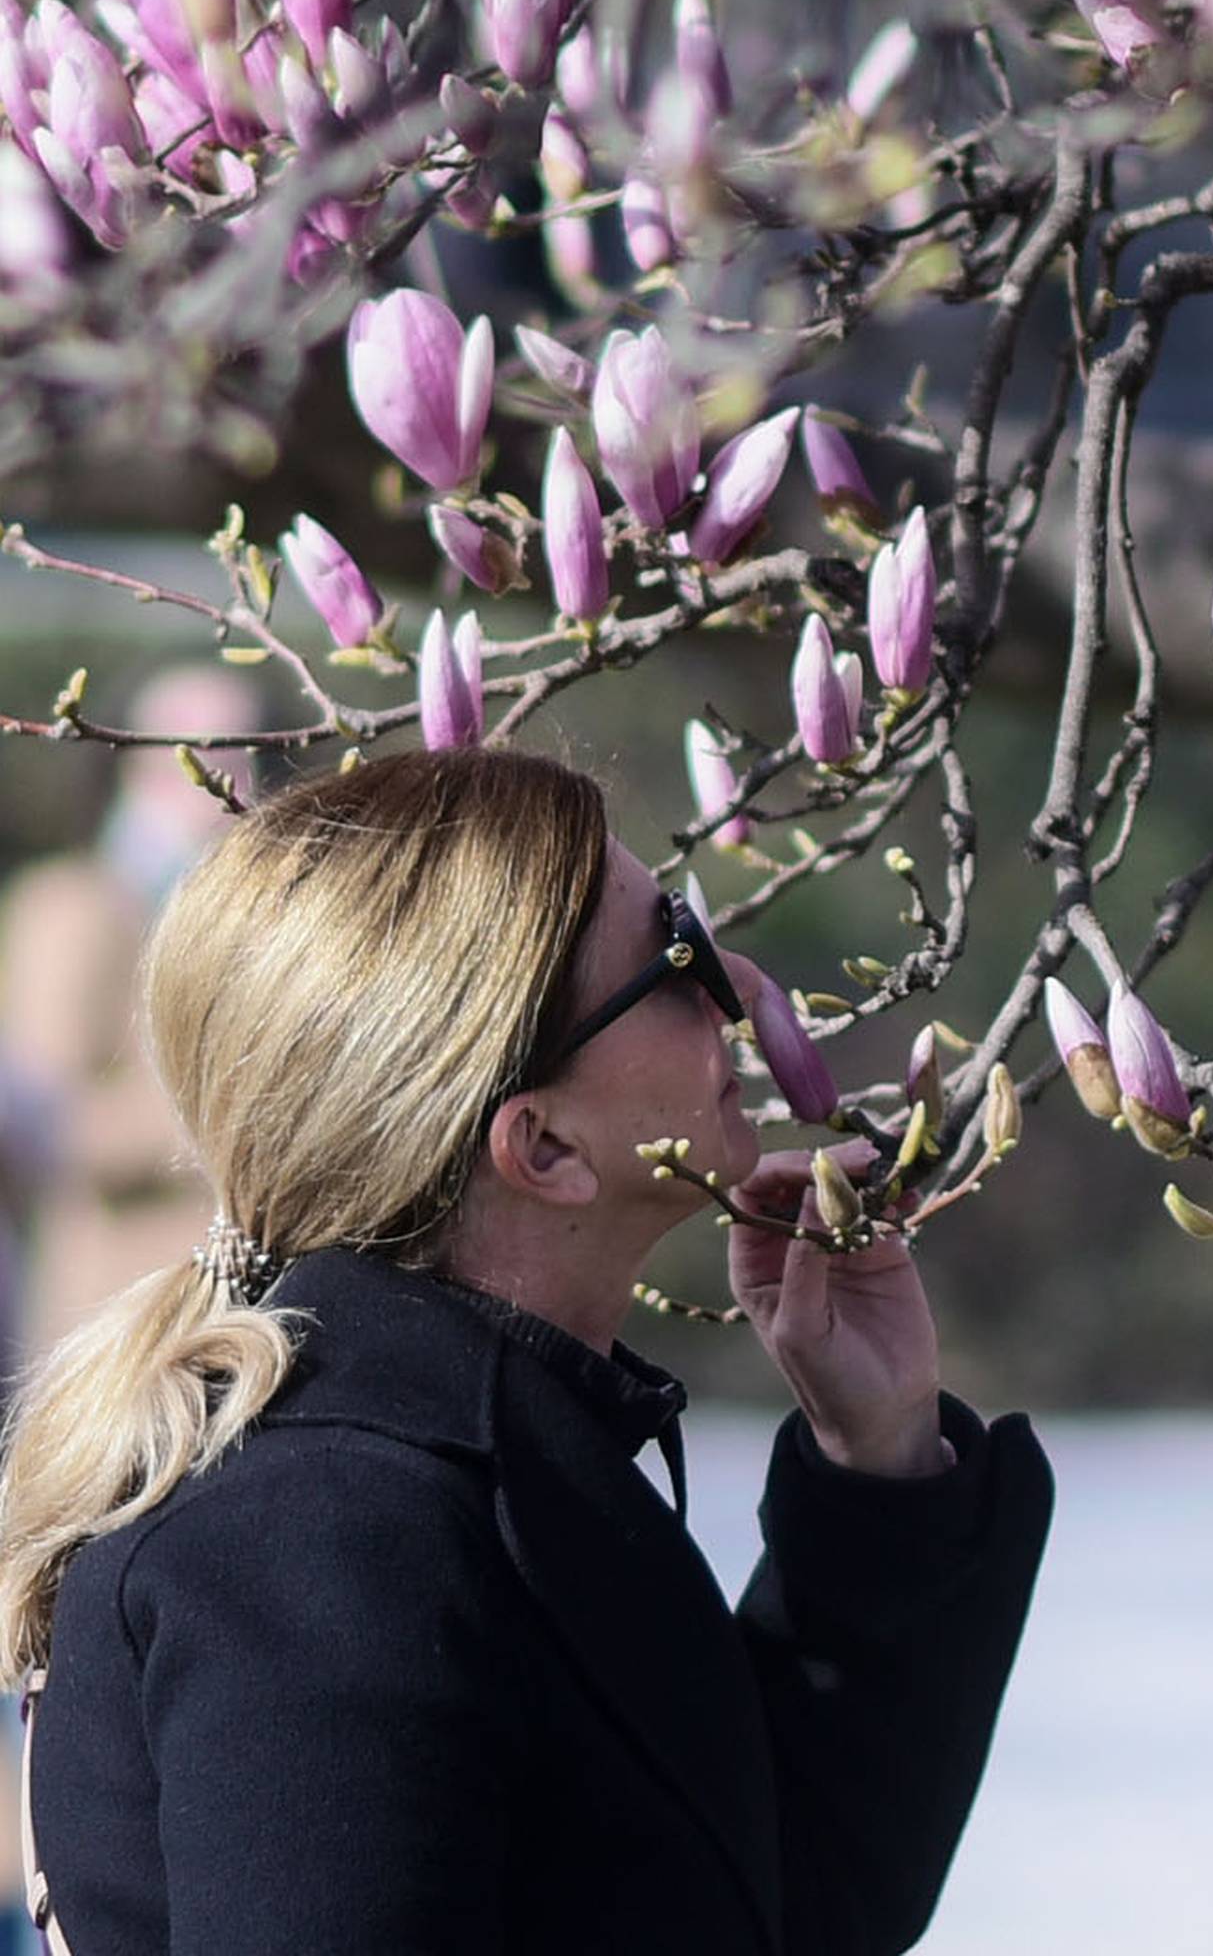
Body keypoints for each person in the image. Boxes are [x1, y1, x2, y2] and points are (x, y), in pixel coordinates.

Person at [0, 748, 1052, 1953]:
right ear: (541, 1147)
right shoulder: (326, 1541)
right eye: (678, 958)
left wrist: (878, 1458)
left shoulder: (472, 1476)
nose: (741, 985)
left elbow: (785, 1905)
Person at [0, 667, 258, 1354]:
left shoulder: (254, 917)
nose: (232, 777)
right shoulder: (73, 909)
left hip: (242, 1318)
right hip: (118, 1322)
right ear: (135, 770)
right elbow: (49, 1127)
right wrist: (270, 1117)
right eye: (203, 755)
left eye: (244, 753)